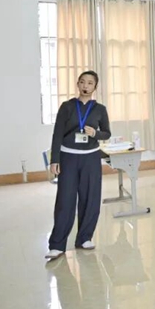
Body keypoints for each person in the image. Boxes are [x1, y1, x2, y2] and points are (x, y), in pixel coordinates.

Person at [46, 71, 111, 260]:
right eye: (82, 82)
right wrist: (55, 160)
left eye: (90, 83)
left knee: (90, 198)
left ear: (95, 87)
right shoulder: (67, 107)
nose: (85, 86)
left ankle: (84, 238)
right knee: (65, 200)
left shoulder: (100, 109)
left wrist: (95, 134)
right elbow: (57, 134)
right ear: (77, 84)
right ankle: (57, 245)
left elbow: (106, 133)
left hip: (91, 158)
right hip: (69, 157)